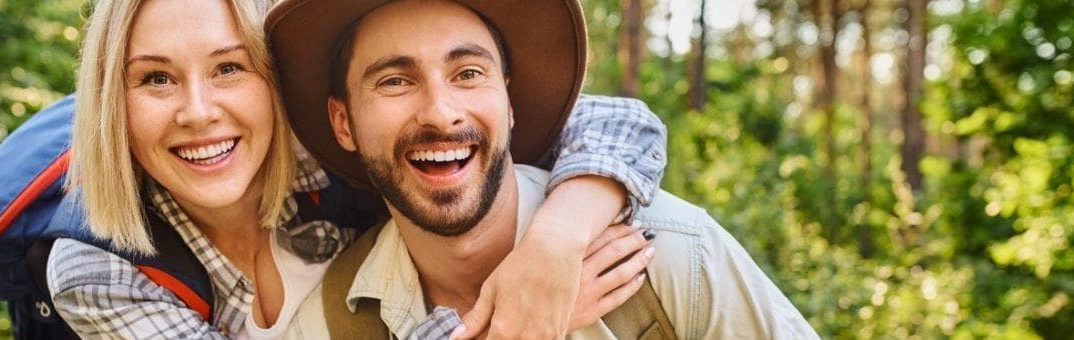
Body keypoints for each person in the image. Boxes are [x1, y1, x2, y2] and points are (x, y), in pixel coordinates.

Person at [46, 0, 672, 338]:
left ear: (272, 81)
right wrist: (513, 327)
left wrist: (552, 249)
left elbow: (618, 121)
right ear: (111, 101)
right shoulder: (96, 264)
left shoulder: (335, 155)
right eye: (155, 79)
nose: (199, 111)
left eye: (229, 68)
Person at [268, 0, 821, 338]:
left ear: (508, 102)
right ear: (343, 123)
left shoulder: (669, 259)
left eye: (468, 73)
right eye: (394, 81)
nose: (440, 112)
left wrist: (553, 244)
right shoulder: (329, 326)